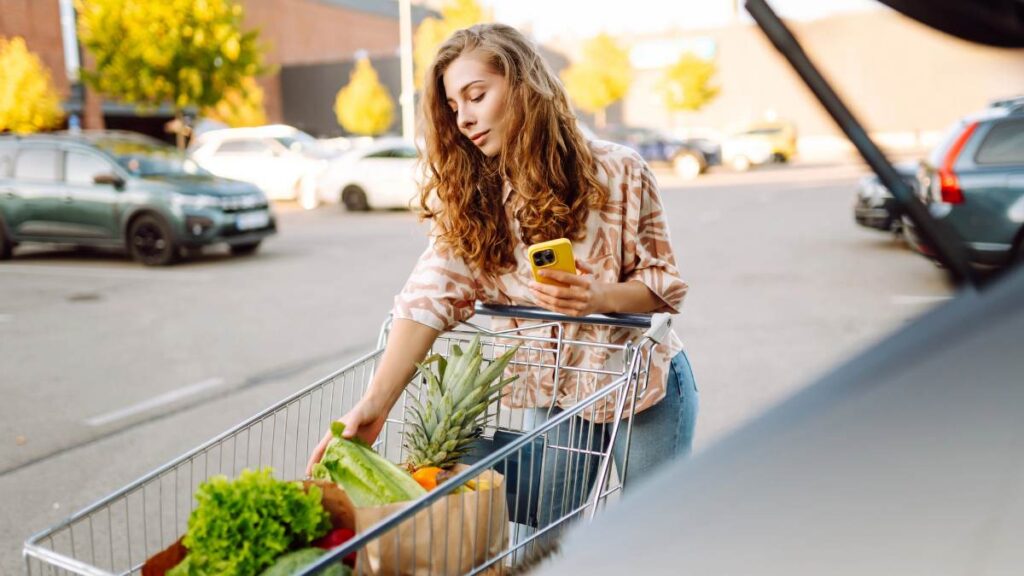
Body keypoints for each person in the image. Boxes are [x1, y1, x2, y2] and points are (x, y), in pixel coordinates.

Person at [307, 23, 697, 520]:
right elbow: (429, 293)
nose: (464, 118)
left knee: (650, 530)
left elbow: (664, 285)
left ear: (523, 85)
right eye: (454, 106)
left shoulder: (619, 170)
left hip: (642, 386)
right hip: (554, 397)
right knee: (540, 541)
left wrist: (600, 297)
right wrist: (375, 404)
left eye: (476, 96)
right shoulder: (473, 196)